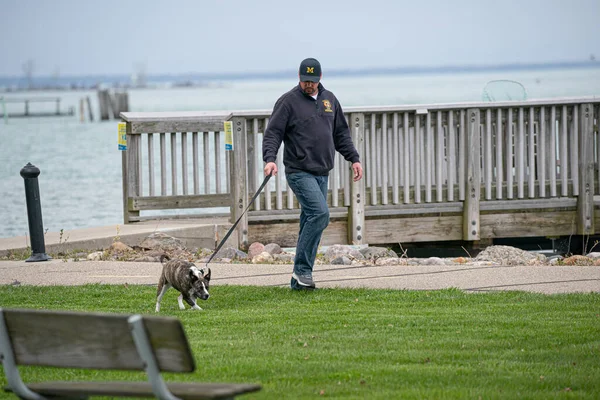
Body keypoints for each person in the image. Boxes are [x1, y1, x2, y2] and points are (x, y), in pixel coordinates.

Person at [262, 58, 363, 290]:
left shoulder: (330, 100)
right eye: (305, 81)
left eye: (313, 81)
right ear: (299, 78)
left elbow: (341, 134)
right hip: (299, 171)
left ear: (320, 78)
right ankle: (302, 270)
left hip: (322, 172)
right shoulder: (288, 102)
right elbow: (273, 133)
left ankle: (299, 283)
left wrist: (354, 158)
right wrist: (270, 159)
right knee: (320, 215)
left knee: (310, 219)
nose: (309, 85)